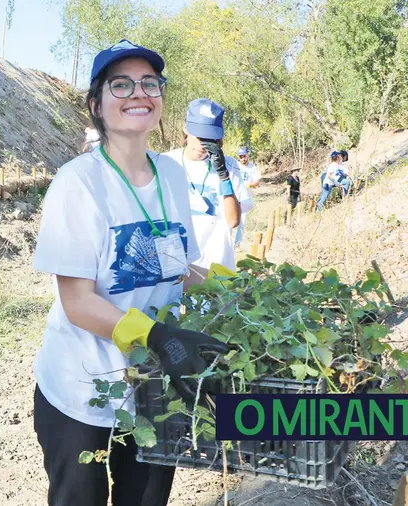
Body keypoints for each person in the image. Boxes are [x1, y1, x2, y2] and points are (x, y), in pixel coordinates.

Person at [31, 39, 228, 506]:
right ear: (97, 104)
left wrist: (240, 289)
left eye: (149, 83)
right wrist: (156, 335)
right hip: (83, 392)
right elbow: (77, 301)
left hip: (156, 388)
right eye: (121, 84)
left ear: (161, 98)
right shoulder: (77, 182)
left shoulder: (172, 175)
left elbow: (176, 268)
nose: (138, 93)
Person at [164, 99, 253, 271]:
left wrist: (224, 176)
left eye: (210, 138)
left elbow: (233, 221)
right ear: (185, 127)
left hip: (218, 267)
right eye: (199, 136)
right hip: (178, 269)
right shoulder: (166, 163)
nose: (203, 145)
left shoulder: (230, 165)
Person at [234, 146, 261, 245]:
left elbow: (257, 182)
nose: (243, 159)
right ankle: (226, 243)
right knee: (228, 220)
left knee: (242, 221)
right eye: (240, 156)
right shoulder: (235, 165)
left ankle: (237, 243)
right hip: (234, 196)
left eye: (244, 156)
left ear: (247, 155)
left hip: (245, 198)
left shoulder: (253, 167)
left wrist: (248, 185)